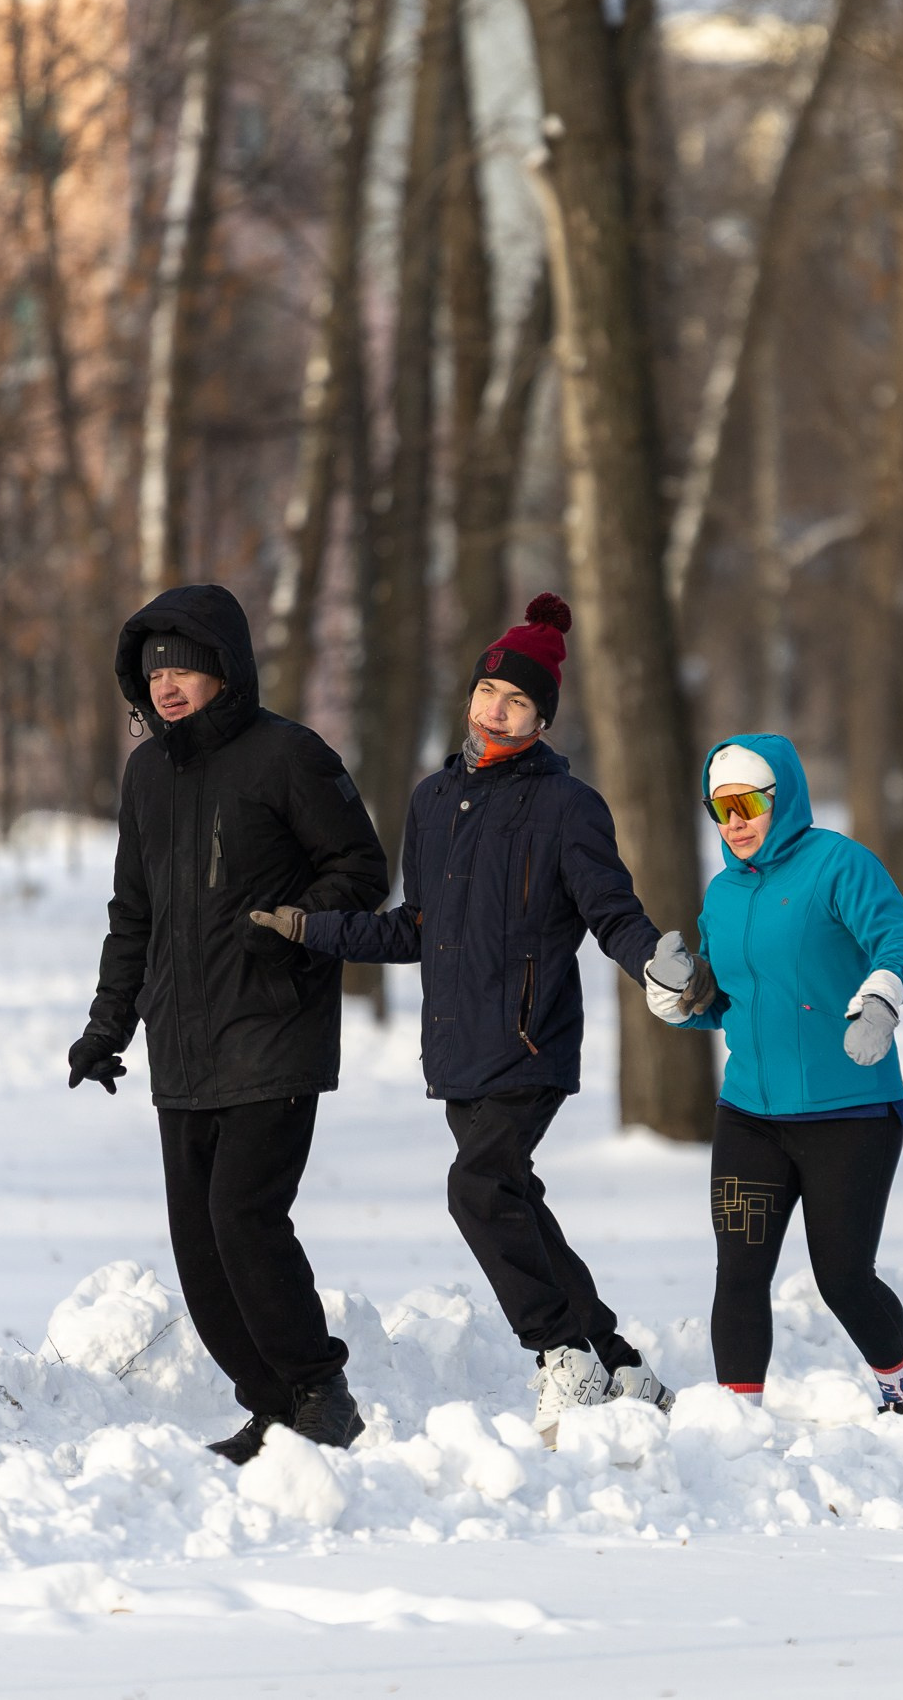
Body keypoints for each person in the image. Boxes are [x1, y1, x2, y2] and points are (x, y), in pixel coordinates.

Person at [250, 594, 675, 1442]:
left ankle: (561, 1354)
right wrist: (311, 926)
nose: (497, 709)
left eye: (517, 701)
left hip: (528, 1039)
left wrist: (653, 959)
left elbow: (610, 909)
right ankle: (619, 1360)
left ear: (542, 719)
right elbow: (416, 927)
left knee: (476, 1189)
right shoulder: (433, 801)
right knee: (513, 1195)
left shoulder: (568, 806)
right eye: (489, 692)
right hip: (456, 1046)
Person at [68, 584, 389, 1464]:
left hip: (273, 1027)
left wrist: (291, 932)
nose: (165, 684)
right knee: (199, 1246)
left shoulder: (289, 755)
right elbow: (132, 912)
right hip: (183, 1041)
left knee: (244, 1217)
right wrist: (108, 1025)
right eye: (152, 671)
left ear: (225, 669)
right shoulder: (146, 776)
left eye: (183, 666)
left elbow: (360, 870)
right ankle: (275, 1404)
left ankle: (322, 1391)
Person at [645, 734, 903, 1416]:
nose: (736, 821)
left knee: (842, 1276)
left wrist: (881, 997)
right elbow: (725, 1004)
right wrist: (680, 999)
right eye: (721, 808)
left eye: (749, 802)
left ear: (783, 796)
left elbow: (902, 940)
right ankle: (735, 1421)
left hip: (851, 1113)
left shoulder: (838, 864)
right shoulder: (721, 893)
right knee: (740, 1273)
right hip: (750, 1114)